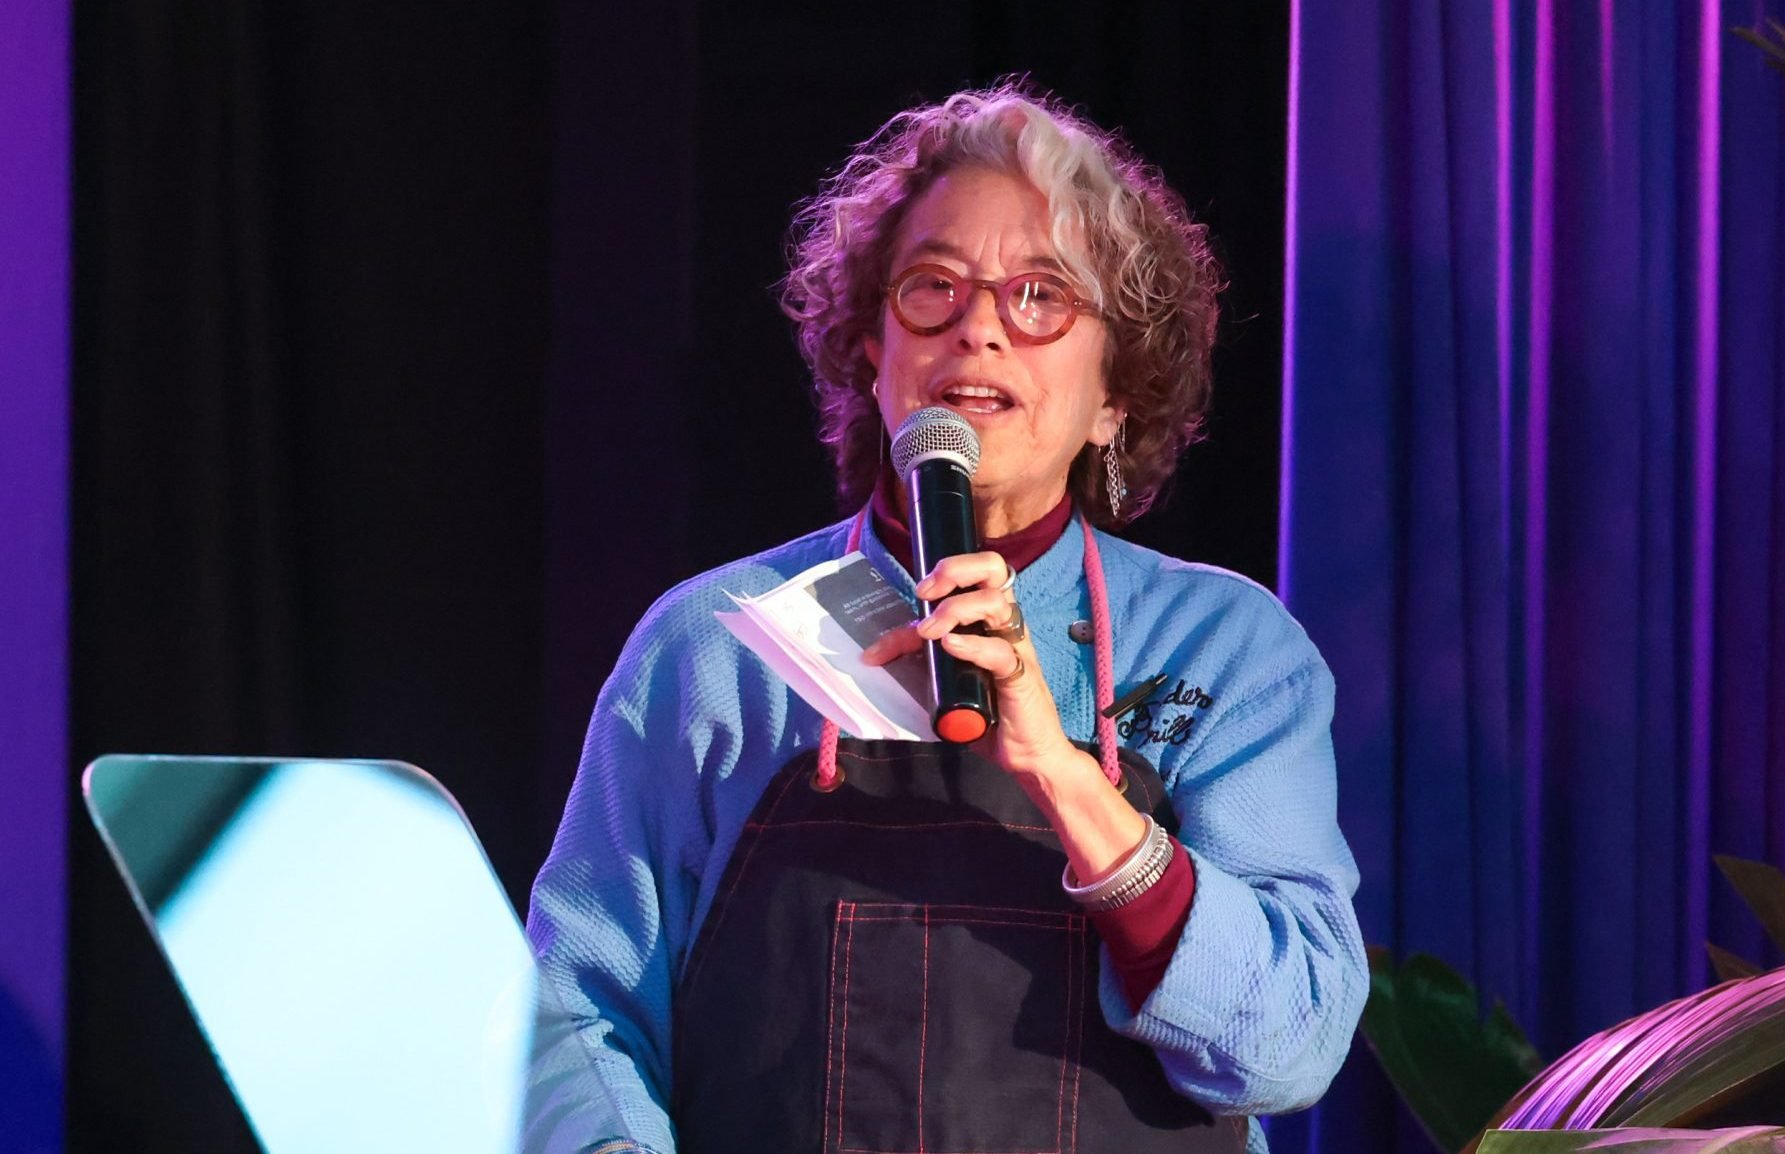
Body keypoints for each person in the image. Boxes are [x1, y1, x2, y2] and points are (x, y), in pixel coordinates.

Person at [525, 82, 1367, 1154]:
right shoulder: (711, 645)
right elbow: (575, 1012)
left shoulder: (1228, 651)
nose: (978, 326)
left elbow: (1290, 1043)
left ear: (1116, 392)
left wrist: (1064, 777)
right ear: (869, 350)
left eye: (1039, 295)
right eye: (932, 286)